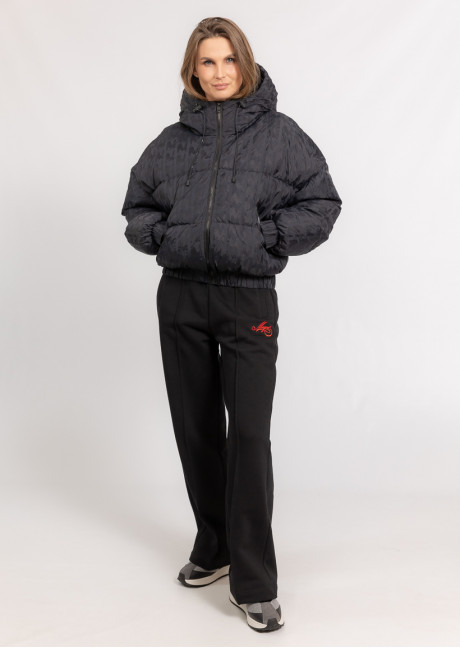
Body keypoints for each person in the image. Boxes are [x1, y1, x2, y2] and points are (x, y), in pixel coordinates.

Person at [121, 16, 342, 633]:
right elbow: (137, 207)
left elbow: (323, 204)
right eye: (207, 62)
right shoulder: (171, 141)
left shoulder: (281, 135)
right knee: (195, 430)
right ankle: (214, 545)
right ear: (192, 70)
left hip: (248, 302)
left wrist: (267, 237)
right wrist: (164, 236)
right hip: (181, 298)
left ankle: (255, 580)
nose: (219, 73)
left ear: (245, 63)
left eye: (228, 60)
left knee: (246, 436)